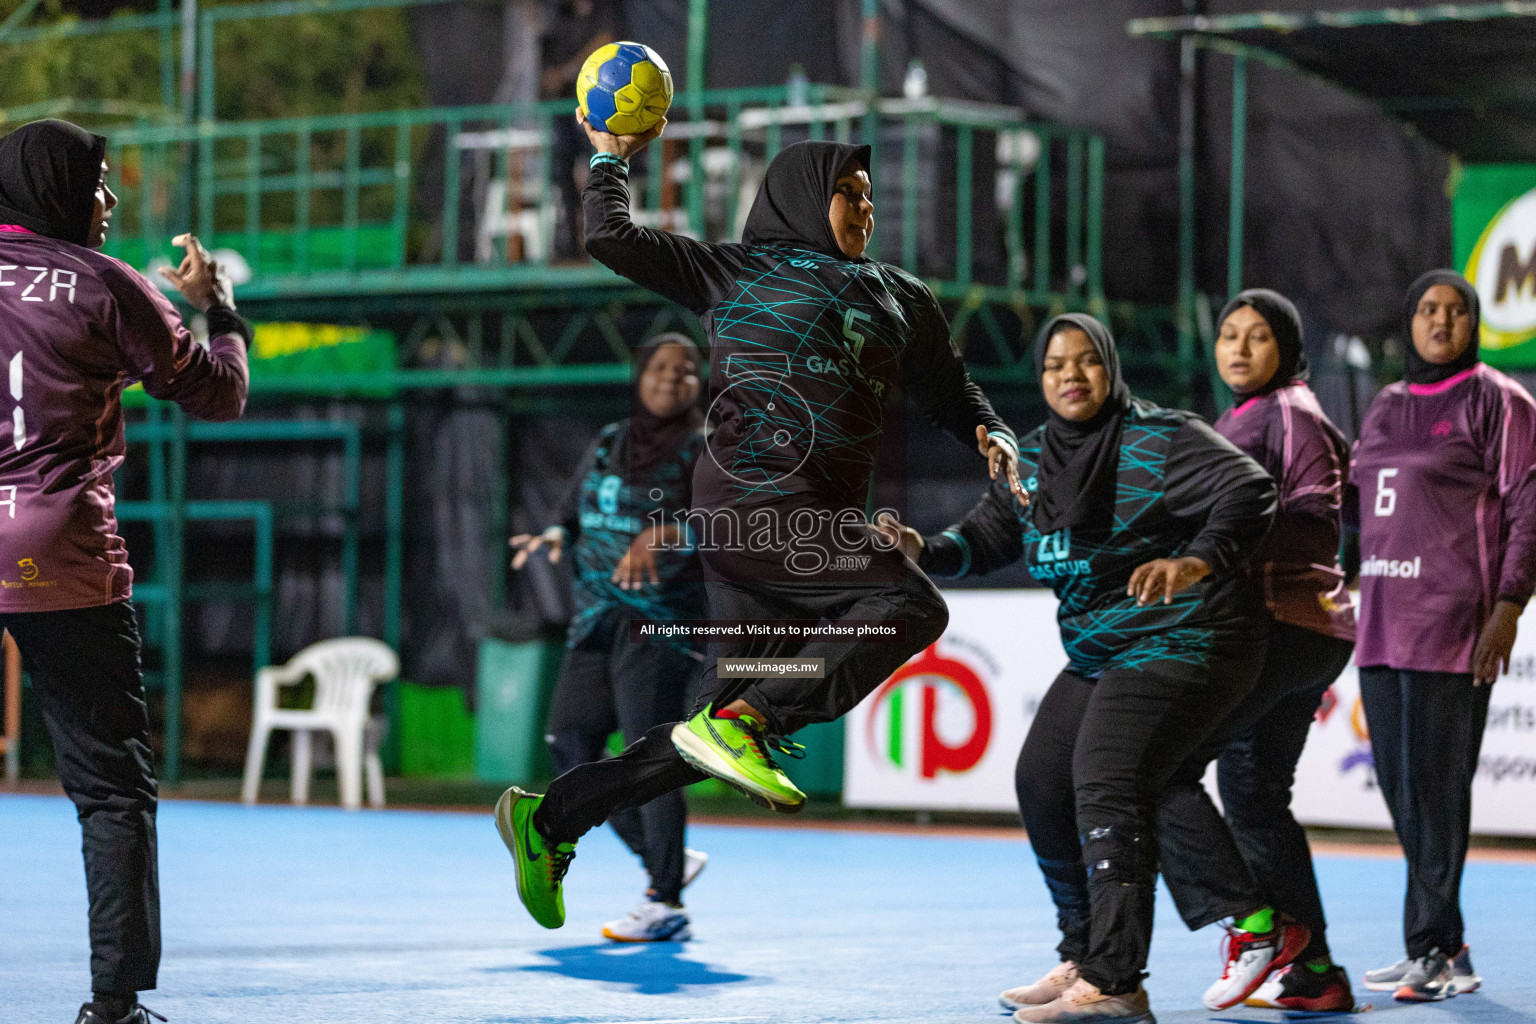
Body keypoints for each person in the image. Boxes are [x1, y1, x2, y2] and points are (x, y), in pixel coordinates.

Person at [494, 119, 1024, 932]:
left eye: (871, 197)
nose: (864, 208)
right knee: (915, 607)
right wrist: (608, 157)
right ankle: (748, 720)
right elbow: (610, 234)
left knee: (696, 737)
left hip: (794, 530)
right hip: (758, 509)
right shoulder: (734, 270)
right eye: (847, 193)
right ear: (803, 199)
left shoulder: (900, 296)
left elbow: (951, 391)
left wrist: (989, 428)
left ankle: (551, 819)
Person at [886, 314, 1276, 1023]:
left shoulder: (1161, 438)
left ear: (1111, 368)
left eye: (1086, 361)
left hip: (1187, 636)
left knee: (1107, 777)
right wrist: (923, 548)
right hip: (1103, 648)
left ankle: (1117, 981)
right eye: (1054, 365)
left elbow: (1250, 490)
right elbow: (986, 538)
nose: (1071, 375)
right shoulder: (1031, 459)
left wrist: (1196, 560)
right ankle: (1083, 951)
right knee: (1041, 781)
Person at [0, 119, 249, 1024]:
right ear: (63, 189)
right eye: (99, 184)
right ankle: (113, 1008)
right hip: (57, 547)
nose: (107, 202)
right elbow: (217, 394)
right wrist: (218, 309)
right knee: (110, 788)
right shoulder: (109, 285)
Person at [1152, 290, 1356, 1011]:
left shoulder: (1292, 412)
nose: (1238, 348)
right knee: (1255, 795)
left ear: (1287, 349)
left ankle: (1257, 925)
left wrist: (1215, 552)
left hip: (1284, 625)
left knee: (1161, 767)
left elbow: (1315, 521)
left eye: (1258, 337)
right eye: (1229, 335)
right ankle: (1318, 973)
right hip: (1295, 631)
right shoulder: (1239, 419)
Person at [1352, 270, 1536, 1001]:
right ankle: (1440, 946)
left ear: (1475, 324)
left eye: (1456, 312)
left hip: (1453, 623)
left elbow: (1529, 506)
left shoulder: (1500, 400)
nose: (1440, 322)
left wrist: (1510, 605)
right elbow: (1360, 506)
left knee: (1436, 791)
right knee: (1403, 793)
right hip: (1381, 623)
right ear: (1410, 322)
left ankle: (1432, 948)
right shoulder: (1388, 403)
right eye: (1428, 310)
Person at [509, 333, 710, 941]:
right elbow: (570, 515)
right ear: (639, 373)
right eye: (660, 366)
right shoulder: (607, 442)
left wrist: (666, 535)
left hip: (660, 626)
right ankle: (663, 857)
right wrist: (553, 537)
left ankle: (664, 899)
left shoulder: (706, 453)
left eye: (687, 371)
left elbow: (728, 528)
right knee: (570, 740)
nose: (672, 378)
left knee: (649, 759)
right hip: (594, 617)